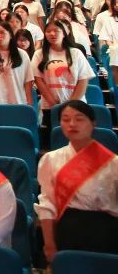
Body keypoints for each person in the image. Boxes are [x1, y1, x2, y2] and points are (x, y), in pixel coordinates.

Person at [36, 100, 118, 257]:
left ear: (93, 123)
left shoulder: (113, 163)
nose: (72, 124)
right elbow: (47, 204)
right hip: (67, 231)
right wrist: (49, 244)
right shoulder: (50, 160)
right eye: (65, 119)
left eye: (79, 119)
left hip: (107, 232)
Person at [31, 20, 92, 111]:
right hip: (50, 106)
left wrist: (71, 105)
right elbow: (39, 80)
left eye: (56, 31)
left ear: (64, 34)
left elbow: (83, 79)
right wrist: (54, 104)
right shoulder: (39, 54)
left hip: (77, 106)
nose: (52, 34)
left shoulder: (76, 53)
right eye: (48, 31)